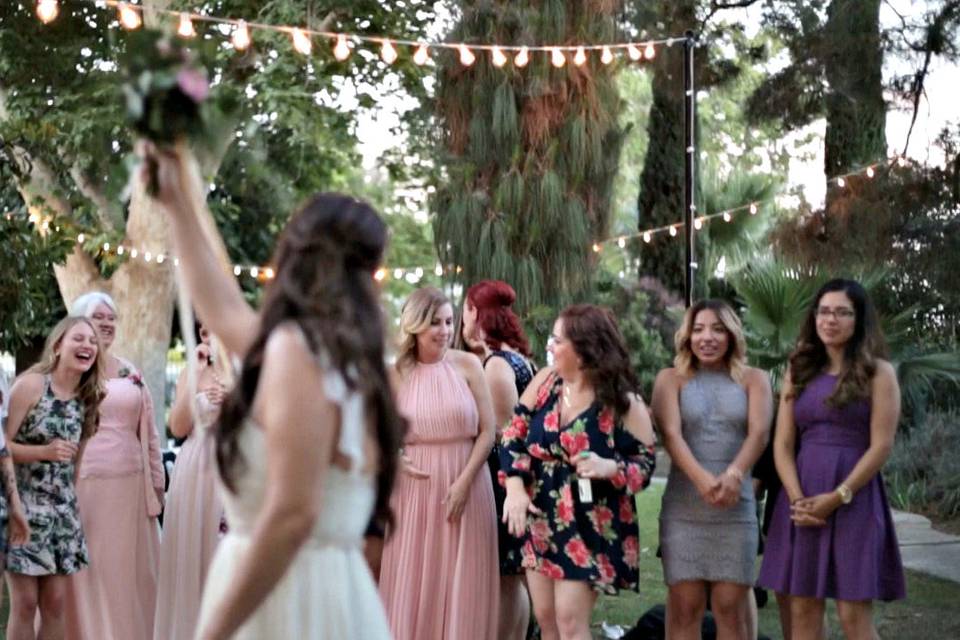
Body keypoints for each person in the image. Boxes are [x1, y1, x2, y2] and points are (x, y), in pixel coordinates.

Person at [147, 142, 405, 639]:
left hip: (286, 599)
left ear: (294, 255)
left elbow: (292, 514)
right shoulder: (345, 352)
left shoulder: (297, 349)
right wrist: (178, 204)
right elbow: (222, 308)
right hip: (329, 588)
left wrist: (213, 631)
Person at [757, 279, 906, 640]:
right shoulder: (798, 369)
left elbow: (881, 446)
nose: (831, 320)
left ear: (859, 320)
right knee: (803, 608)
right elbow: (783, 443)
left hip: (855, 498)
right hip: (802, 498)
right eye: (824, 311)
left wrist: (838, 496)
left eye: (842, 312)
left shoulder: (880, 373)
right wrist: (797, 500)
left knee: (853, 614)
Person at [501, 304, 657, 640]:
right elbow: (513, 433)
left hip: (589, 521)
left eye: (557, 341)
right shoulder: (545, 381)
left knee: (570, 621)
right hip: (539, 512)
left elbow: (645, 465)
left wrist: (611, 466)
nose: (550, 347)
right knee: (547, 620)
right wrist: (514, 487)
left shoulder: (622, 402)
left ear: (585, 348)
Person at [378, 286, 499, 640]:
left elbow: (488, 431)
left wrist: (464, 483)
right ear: (415, 326)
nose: (446, 330)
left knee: (462, 581)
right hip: (414, 493)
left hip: (468, 484)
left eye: (449, 321)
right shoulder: (395, 373)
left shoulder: (468, 364)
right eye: (436, 323)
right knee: (417, 580)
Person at [651, 299, 772, 639]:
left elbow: (759, 433)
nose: (708, 337)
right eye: (699, 329)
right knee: (684, 607)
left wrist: (734, 475)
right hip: (684, 509)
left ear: (732, 335)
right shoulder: (669, 379)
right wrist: (703, 480)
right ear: (687, 336)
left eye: (718, 329)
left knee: (730, 609)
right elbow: (671, 435)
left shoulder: (755, 379)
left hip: (736, 510)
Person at [63, 292, 165, 640]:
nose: (107, 323)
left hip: (132, 488)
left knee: (129, 572)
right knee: (94, 568)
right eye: (98, 316)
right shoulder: (71, 372)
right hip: (87, 485)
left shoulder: (131, 371)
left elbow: (149, 434)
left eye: (111, 318)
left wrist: (157, 484)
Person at [4, 316, 104, 640]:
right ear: (59, 345)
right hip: (22, 506)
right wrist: (43, 453)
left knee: (56, 604)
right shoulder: (31, 385)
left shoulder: (89, 399)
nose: (87, 345)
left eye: (92, 341)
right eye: (79, 338)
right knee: (24, 603)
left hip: (62, 513)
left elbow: (76, 462)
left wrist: (70, 510)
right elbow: (2, 447)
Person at [459, 279, 535, 640]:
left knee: (507, 577)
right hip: (509, 481)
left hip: (503, 483)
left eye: (465, 308)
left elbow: (504, 435)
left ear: (474, 312)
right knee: (512, 577)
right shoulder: (513, 358)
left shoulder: (499, 366)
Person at [154, 325, 227, 640]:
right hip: (195, 467)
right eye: (208, 330)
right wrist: (195, 374)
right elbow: (178, 426)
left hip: (234, 466)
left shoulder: (252, 369)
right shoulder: (192, 370)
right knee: (192, 556)